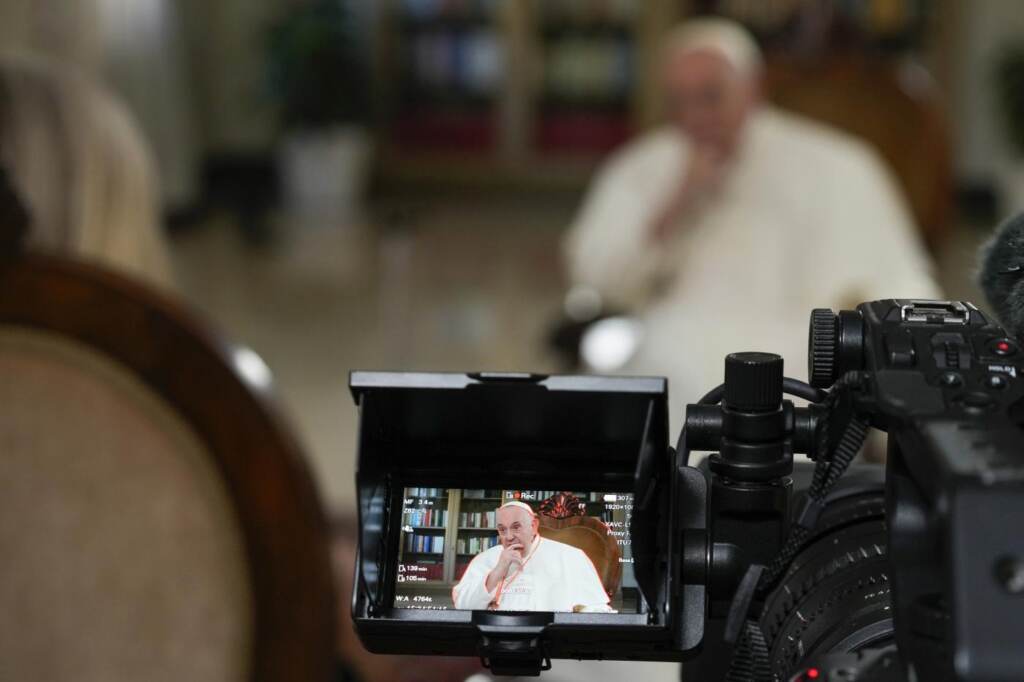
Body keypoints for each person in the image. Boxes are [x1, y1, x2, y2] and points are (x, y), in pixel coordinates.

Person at [563, 18, 942, 421]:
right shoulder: (644, 166)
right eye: (678, 101)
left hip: (794, 349)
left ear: (752, 88)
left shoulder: (837, 164)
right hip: (673, 342)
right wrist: (673, 205)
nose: (694, 116)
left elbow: (897, 278)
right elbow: (597, 277)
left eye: (710, 96)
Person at [452, 501, 611, 612]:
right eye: (502, 529)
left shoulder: (570, 557)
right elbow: (463, 607)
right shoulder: (485, 559)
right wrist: (496, 573)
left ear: (533, 525)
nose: (508, 537)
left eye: (516, 527)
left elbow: (595, 609)